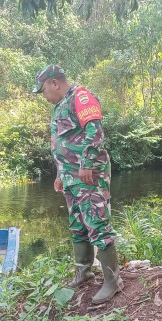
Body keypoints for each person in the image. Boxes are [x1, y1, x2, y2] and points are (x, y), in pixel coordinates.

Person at [33, 64, 122, 304]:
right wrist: (61, 174)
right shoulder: (60, 104)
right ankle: (83, 272)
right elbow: (62, 142)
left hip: (88, 174)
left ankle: (113, 281)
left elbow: (94, 131)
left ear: (54, 82)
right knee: (78, 224)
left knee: (97, 222)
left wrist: (86, 163)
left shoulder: (81, 96)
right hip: (71, 177)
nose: (44, 95)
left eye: (43, 90)